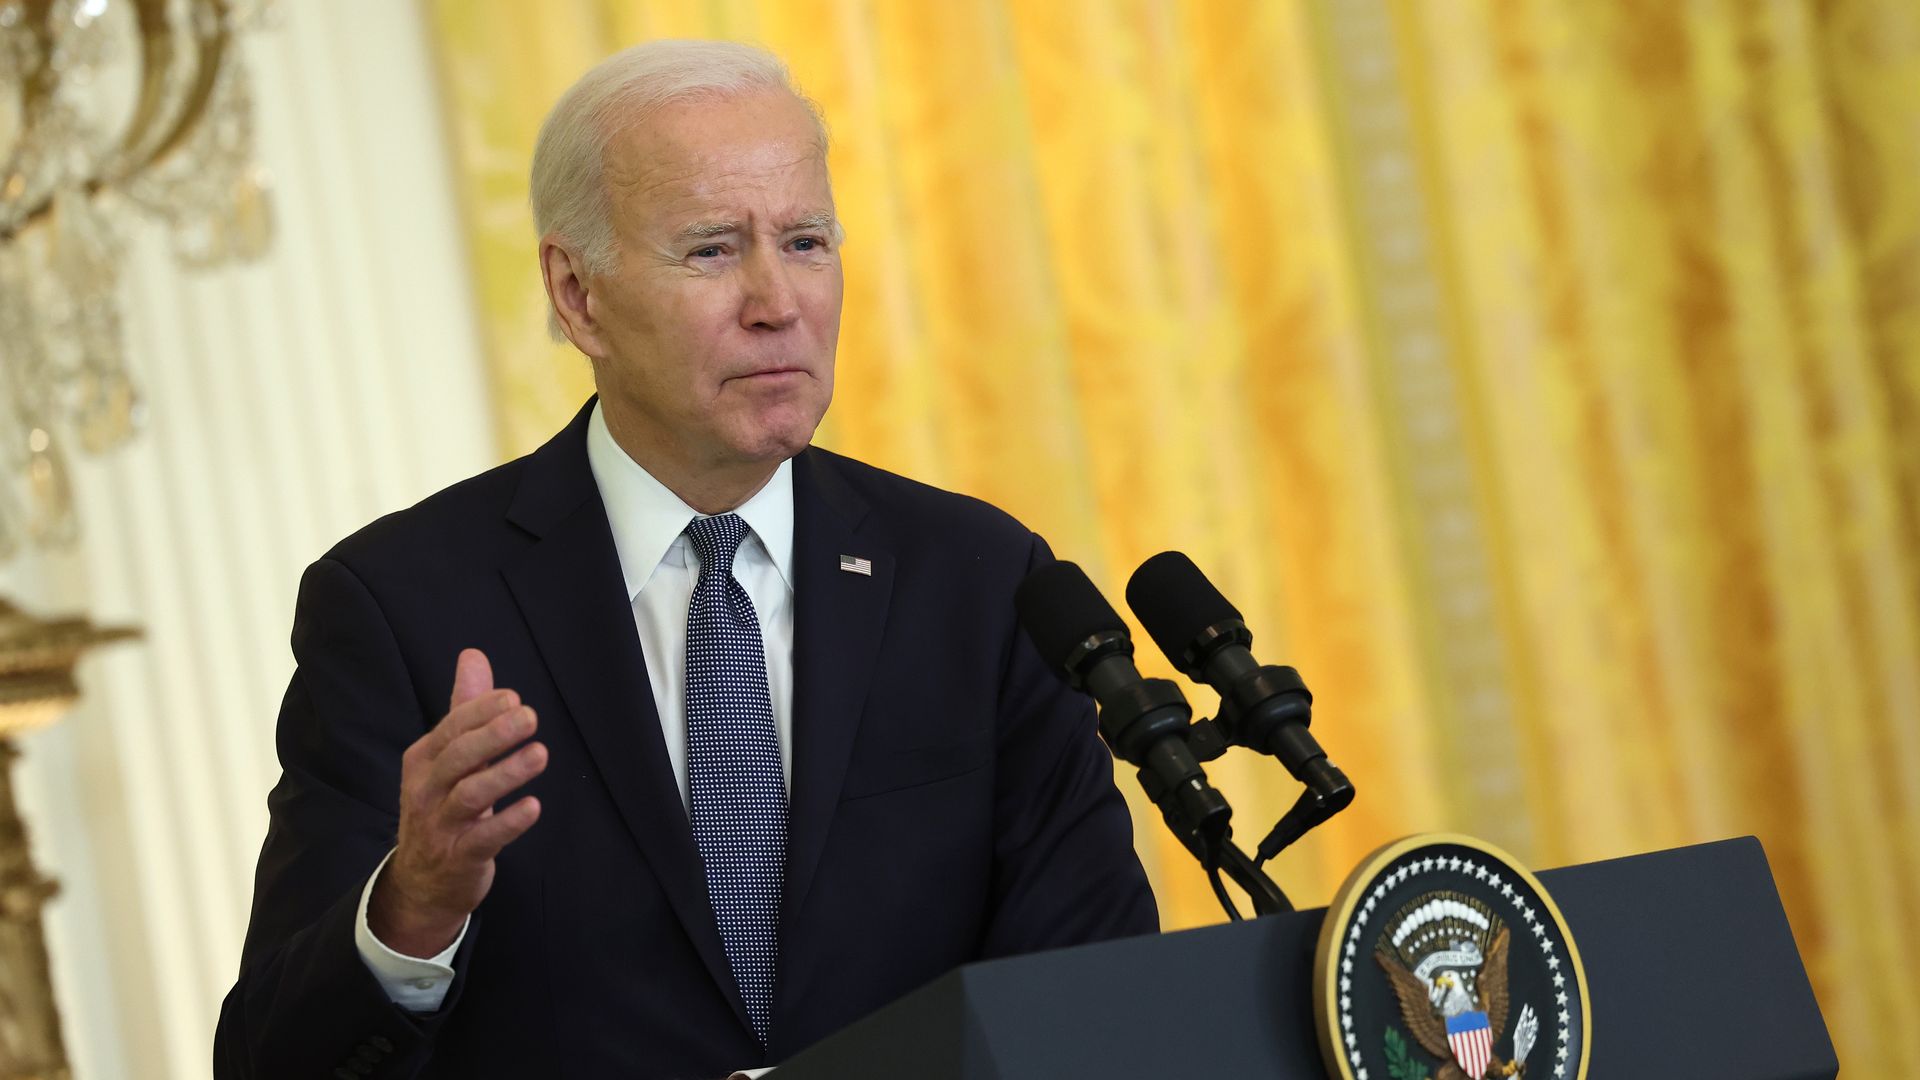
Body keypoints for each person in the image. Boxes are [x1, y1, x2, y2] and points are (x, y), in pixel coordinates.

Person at [212, 38, 1156, 1080]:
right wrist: (413, 908)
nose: (777, 301)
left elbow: (1097, 988)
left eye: (805, 241)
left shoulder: (979, 580)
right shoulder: (401, 609)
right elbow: (271, 1063)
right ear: (578, 295)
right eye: (712, 250)